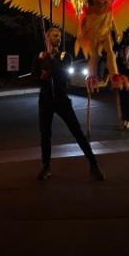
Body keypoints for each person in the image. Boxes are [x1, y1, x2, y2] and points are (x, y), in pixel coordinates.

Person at [32, 27, 104, 181]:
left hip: (61, 99)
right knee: (45, 135)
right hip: (45, 100)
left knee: (77, 132)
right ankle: (46, 167)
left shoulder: (65, 56)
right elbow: (34, 77)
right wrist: (42, 76)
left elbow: (64, 76)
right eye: (54, 35)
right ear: (47, 38)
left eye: (59, 36)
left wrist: (51, 61)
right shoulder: (39, 57)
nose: (58, 38)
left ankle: (93, 165)